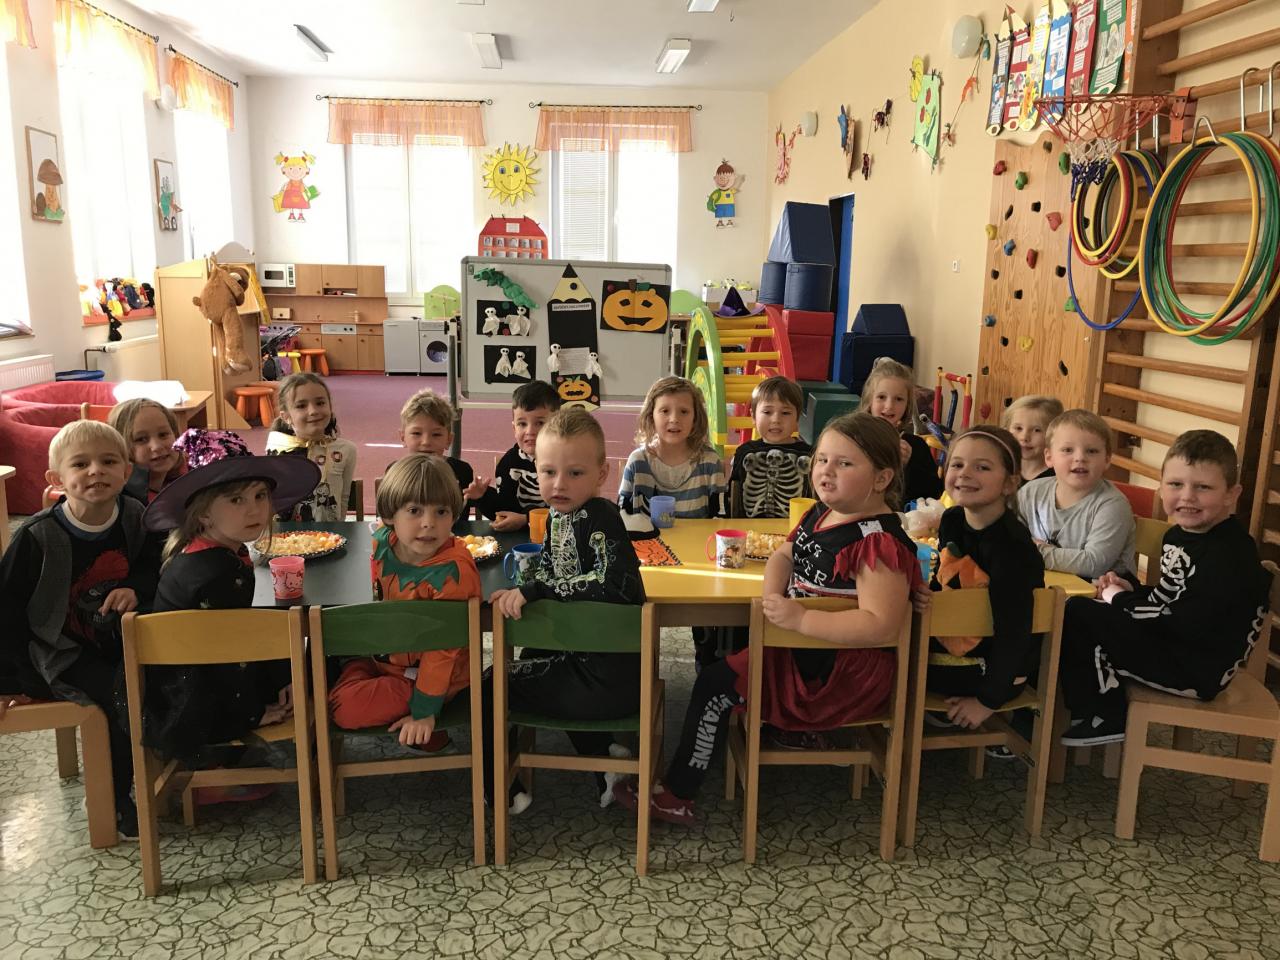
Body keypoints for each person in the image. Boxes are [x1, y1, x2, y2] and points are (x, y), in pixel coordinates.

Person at [620, 412, 920, 824]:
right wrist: (772, 597)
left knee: (713, 684)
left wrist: (800, 620)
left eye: (844, 463)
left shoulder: (877, 542)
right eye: (822, 459)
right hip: (804, 655)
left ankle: (677, 794)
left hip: (838, 676)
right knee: (729, 659)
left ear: (882, 479)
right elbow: (783, 554)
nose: (826, 471)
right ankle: (785, 727)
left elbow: (879, 624)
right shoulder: (820, 512)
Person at [0, 420, 165, 837]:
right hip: (59, 651)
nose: (96, 471)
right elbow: (6, 609)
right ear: (57, 479)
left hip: (120, 639)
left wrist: (134, 586)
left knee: (166, 677)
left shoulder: (135, 515)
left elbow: (154, 565)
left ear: (126, 471)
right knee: (119, 697)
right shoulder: (38, 536)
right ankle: (114, 797)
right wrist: (6, 682)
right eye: (80, 464)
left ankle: (177, 768)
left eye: (108, 461)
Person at [1058, 430, 1271, 746]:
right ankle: (1085, 709)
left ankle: (1106, 713)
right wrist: (1132, 589)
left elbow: (1184, 620)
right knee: (1080, 608)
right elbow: (1172, 596)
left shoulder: (1230, 553)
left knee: (1079, 613)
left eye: (1203, 487)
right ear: (1160, 487)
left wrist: (1122, 600)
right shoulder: (1178, 535)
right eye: (1175, 484)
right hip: (1174, 647)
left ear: (1231, 494)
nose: (1187, 496)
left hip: (1195, 670)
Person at [142, 429, 319, 801]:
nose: (254, 509)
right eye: (236, 499)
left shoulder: (199, 550)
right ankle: (214, 770)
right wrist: (252, 712)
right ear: (204, 513)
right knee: (320, 657)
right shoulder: (220, 574)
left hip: (181, 686)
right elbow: (226, 658)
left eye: (260, 496)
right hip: (192, 702)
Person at [485, 408, 646, 814]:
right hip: (589, 666)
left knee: (489, 685)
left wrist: (537, 588)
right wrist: (524, 587)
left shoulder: (600, 515)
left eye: (575, 473)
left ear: (602, 474)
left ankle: (500, 789)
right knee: (531, 653)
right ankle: (603, 760)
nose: (559, 484)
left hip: (606, 679)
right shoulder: (560, 515)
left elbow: (612, 584)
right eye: (548, 472)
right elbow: (553, 570)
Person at [327, 454, 481, 755]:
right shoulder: (384, 543)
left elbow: (443, 651)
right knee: (318, 670)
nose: (429, 523)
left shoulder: (453, 574)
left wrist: (425, 711)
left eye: (441, 511)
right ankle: (354, 671)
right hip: (389, 659)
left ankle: (359, 676)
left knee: (342, 708)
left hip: (433, 677)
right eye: (414, 510)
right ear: (390, 515)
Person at [923, 426, 1044, 730]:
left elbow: (1015, 631)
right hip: (956, 645)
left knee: (884, 661)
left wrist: (987, 701)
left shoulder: (1011, 546)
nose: (965, 474)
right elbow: (947, 576)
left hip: (993, 670)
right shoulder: (952, 520)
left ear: (1010, 483)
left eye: (982, 467)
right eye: (957, 464)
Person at [1016, 409, 1136, 579]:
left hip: (1102, 591)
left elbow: (1094, 564)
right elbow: (1008, 539)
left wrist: (1034, 552)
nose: (1080, 458)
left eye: (1092, 451)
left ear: (1107, 459)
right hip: (1045, 586)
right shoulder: (1030, 493)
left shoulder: (1113, 505)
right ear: (1049, 457)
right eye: (1067, 450)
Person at [619, 375, 725, 521]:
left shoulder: (710, 462)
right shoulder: (638, 461)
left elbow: (720, 518)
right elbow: (621, 515)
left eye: (684, 411)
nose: (674, 419)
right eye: (665, 411)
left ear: (695, 418)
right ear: (651, 416)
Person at [466, 380, 560, 532]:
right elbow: (502, 512)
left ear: (557, 425)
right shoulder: (509, 463)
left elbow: (571, 509)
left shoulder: (566, 461)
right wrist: (483, 497)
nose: (530, 431)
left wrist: (526, 519)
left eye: (540, 423)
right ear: (514, 428)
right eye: (522, 424)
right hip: (518, 538)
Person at [266, 372, 357, 522]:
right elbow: (274, 503)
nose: (313, 411)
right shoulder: (279, 447)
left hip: (329, 534)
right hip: (288, 535)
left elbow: (343, 498)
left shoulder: (346, 450)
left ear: (330, 406)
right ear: (286, 417)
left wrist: (338, 531)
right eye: (301, 406)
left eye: (320, 403)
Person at [857, 357, 943, 503]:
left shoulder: (916, 446)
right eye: (881, 397)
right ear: (869, 400)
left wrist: (909, 465)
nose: (889, 406)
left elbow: (933, 495)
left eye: (898, 399)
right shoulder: (853, 439)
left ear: (907, 405)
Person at [728, 375, 812, 519]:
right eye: (767, 412)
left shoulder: (809, 454)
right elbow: (733, 493)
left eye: (785, 413)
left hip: (796, 529)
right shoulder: (744, 452)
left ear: (797, 418)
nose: (776, 419)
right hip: (747, 529)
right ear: (753, 416)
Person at [108, 398, 187, 506]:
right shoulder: (125, 503)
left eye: (163, 434)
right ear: (121, 447)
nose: (157, 447)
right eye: (141, 439)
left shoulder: (188, 478)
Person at [392, 389, 473, 493]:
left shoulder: (461, 471)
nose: (426, 442)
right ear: (403, 437)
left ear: (449, 440)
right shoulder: (395, 472)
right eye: (417, 433)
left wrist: (478, 497)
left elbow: (469, 500)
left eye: (436, 434)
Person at [1001, 395, 1064, 484]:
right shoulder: (1001, 470)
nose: (1024, 437)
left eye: (1037, 430)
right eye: (1018, 428)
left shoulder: (1058, 478)